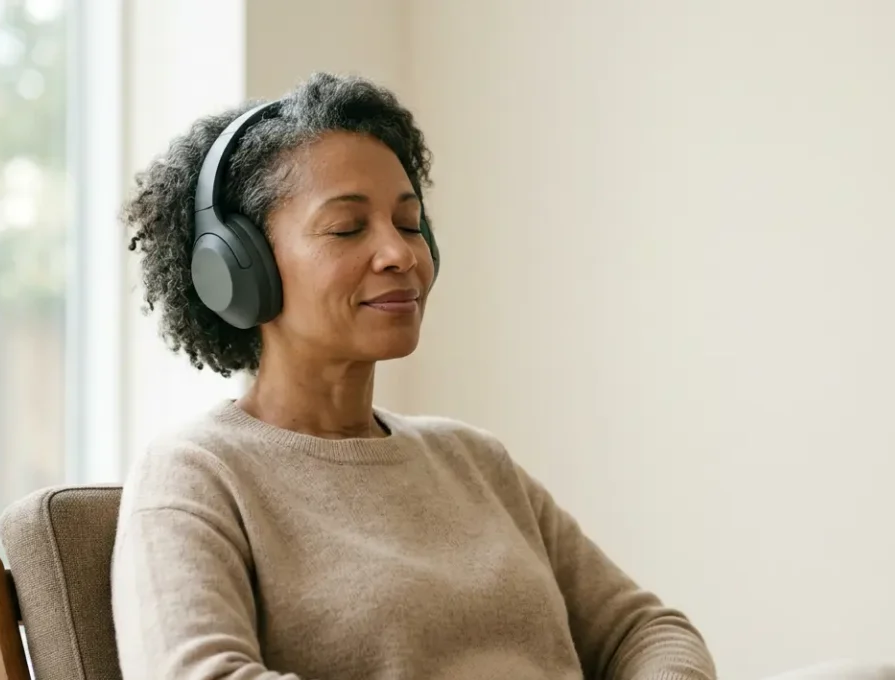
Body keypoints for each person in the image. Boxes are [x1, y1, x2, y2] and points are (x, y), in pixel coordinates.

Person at [110, 72, 718, 680]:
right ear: (240, 268)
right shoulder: (197, 474)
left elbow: (648, 631)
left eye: (409, 223)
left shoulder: (474, 461)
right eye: (348, 228)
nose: (401, 254)